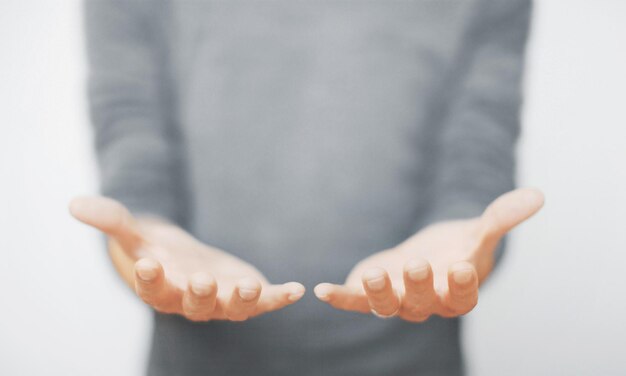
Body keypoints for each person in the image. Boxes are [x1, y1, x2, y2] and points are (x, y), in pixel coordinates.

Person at [70, 0, 542, 375]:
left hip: (415, 362)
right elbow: (133, 141)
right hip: (194, 362)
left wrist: (464, 239)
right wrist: (149, 238)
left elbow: (477, 150)